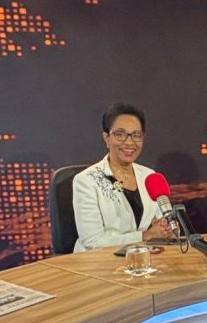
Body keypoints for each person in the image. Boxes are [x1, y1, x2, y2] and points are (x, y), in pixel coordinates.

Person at [73, 103, 171, 252]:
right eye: (120, 134)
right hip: (98, 261)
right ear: (106, 138)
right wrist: (145, 236)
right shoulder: (86, 181)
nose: (129, 142)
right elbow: (92, 242)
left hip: (142, 258)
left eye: (136, 135)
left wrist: (166, 229)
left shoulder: (149, 176)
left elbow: (160, 222)